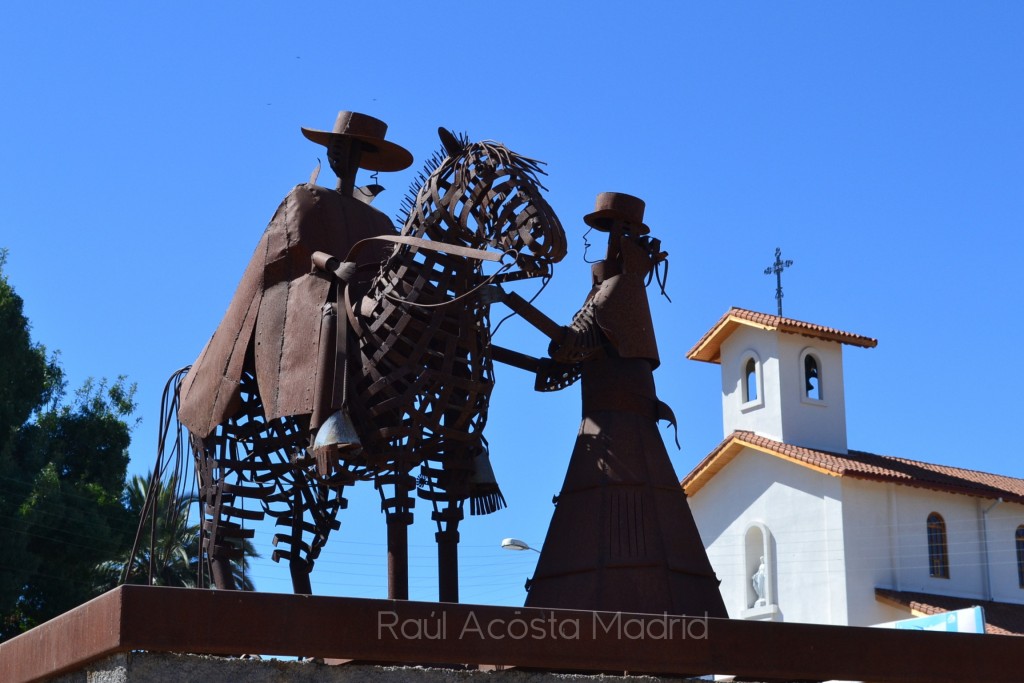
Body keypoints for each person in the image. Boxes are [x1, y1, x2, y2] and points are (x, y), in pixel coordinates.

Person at [523, 192, 728, 618]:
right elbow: (572, 355)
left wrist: (511, 304)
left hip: (619, 434)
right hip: (601, 429)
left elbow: (575, 345)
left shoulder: (620, 289)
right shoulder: (604, 291)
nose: (608, 243)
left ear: (629, 241)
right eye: (606, 232)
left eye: (616, 233)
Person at [178, 111, 413, 439]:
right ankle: (326, 424)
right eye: (337, 148)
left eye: (352, 150)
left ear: (365, 158)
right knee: (333, 309)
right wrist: (332, 265)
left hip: (367, 295)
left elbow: (390, 265)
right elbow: (296, 248)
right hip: (312, 289)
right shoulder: (306, 196)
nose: (341, 157)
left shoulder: (381, 221)